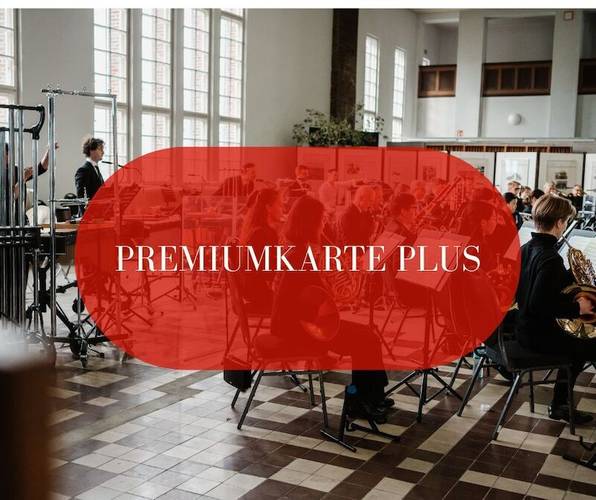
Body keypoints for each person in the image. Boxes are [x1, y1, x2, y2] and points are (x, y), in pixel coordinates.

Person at [271, 195, 391, 421]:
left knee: (367, 335)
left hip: (296, 322)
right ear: (311, 223)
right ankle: (360, 402)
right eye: (321, 220)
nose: (323, 225)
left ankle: (373, 396)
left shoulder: (297, 249)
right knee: (367, 339)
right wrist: (344, 274)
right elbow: (320, 298)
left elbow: (313, 296)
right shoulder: (303, 256)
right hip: (300, 328)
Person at [516, 194, 596, 423]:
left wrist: (571, 275)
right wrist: (577, 307)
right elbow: (539, 304)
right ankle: (560, 404)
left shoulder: (527, 248)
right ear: (560, 222)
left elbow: (541, 287)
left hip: (525, 329)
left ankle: (561, 401)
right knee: (587, 344)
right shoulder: (550, 258)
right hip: (539, 336)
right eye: (566, 221)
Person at [238, 188, 283, 313]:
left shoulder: (256, 229)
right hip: (261, 294)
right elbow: (270, 272)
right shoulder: (264, 234)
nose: (283, 210)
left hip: (252, 291)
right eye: (280, 205)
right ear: (268, 208)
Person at [75, 137, 106, 201]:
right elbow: (82, 198)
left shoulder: (96, 169)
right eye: (100, 149)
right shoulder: (83, 170)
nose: (103, 152)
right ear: (91, 150)